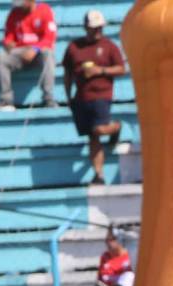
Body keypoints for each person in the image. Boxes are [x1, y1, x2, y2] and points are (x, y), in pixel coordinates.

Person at [61, 10, 126, 186]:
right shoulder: (74, 47)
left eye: (99, 28)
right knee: (92, 136)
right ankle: (99, 174)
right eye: (94, 28)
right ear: (86, 28)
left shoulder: (109, 46)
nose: (97, 31)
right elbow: (67, 73)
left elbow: (121, 69)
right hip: (82, 97)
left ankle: (116, 127)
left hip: (101, 95)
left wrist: (101, 70)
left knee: (98, 129)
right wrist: (68, 95)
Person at [0, 0, 58, 111]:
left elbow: (49, 38)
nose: (20, 8)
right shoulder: (14, 13)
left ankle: (48, 97)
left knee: (48, 54)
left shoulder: (44, 10)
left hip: (38, 51)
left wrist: (35, 49)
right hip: (19, 51)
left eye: (22, 4)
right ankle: (6, 99)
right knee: (1, 58)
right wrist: (8, 43)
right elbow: (8, 36)